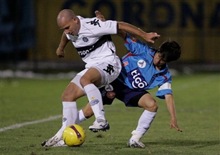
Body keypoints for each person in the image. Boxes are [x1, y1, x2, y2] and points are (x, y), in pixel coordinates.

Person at [41, 9, 160, 147]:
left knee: (85, 80)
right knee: (67, 95)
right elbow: (65, 36)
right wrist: (60, 48)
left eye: (67, 28)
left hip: (110, 64)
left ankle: (101, 120)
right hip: (93, 66)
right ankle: (64, 137)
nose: (67, 31)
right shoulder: (71, 30)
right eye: (64, 29)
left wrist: (144, 35)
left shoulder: (93, 25)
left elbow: (120, 25)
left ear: (75, 20)